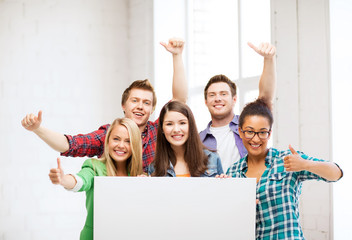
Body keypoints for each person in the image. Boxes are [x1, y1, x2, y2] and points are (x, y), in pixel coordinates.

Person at [21, 38, 187, 171]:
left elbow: (179, 100)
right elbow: (71, 144)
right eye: (134, 100)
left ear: (152, 110)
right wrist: (38, 129)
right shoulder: (109, 134)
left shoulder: (158, 131)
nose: (140, 106)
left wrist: (177, 56)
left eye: (146, 103)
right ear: (123, 105)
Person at [226, 98, 343, 239]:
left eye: (262, 132)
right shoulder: (232, 172)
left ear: (269, 133)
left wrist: (306, 164)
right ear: (240, 131)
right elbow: (230, 219)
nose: (256, 139)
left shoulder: (288, 160)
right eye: (250, 132)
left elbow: (336, 173)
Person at [49, 118, 143, 240]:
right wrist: (63, 179)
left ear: (135, 145)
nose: (121, 145)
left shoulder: (138, 175)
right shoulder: (94, 166)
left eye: (128, 141)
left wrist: (144, 188)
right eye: (116, 139)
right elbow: (81, 181)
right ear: (108, 141)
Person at [200, 42, 277, 173]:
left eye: (223, 94)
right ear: (206, 102)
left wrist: (268, 59)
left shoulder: (250, 126)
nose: (218, 98)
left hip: (250, 190)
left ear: (234, 99)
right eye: (212, 95)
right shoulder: (198, 140)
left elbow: (265, 98)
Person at [149, 101, 223, 177]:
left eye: (182, 123)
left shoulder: (212, 159)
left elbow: (222, 188)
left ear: (190, 126)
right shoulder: (154, 168)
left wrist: (225, 182)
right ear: (162, 129)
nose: (176, 130)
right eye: (169, 124)